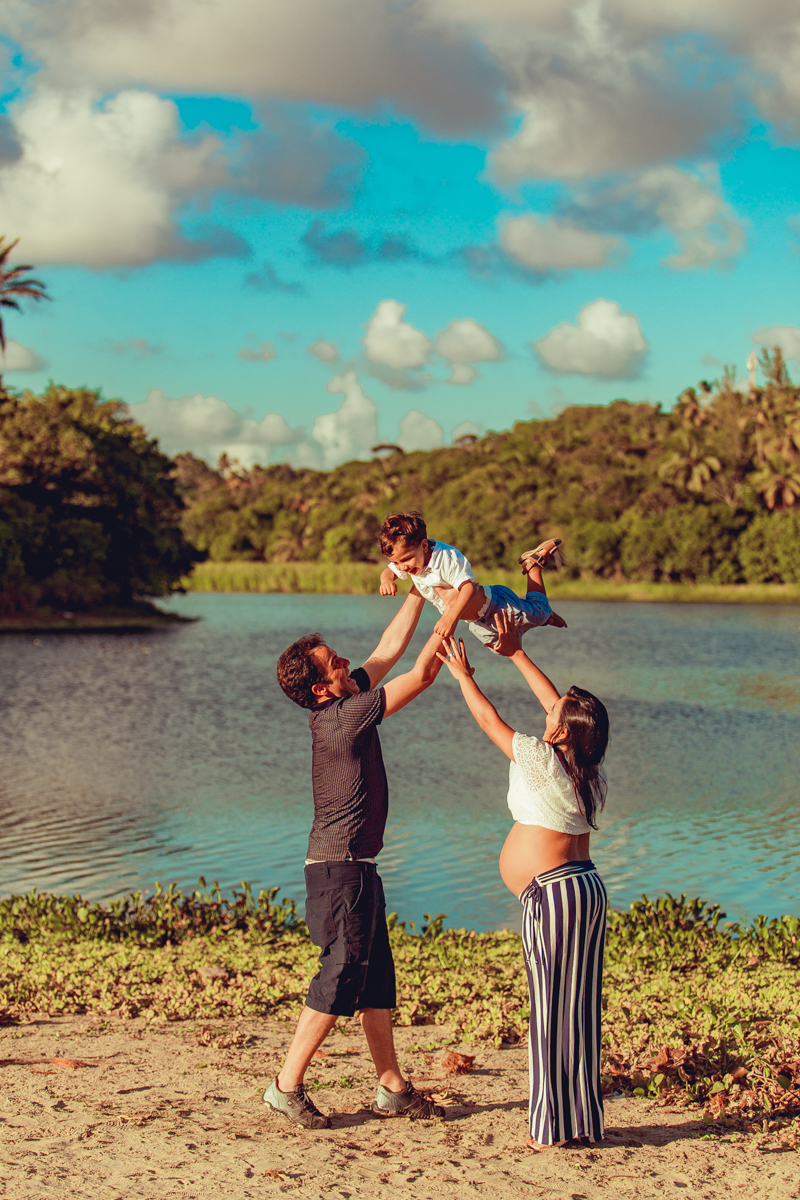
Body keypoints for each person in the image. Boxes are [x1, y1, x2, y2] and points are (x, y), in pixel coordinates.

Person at [266, 590, 446, 1130]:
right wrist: (454, 604)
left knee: (374, 979)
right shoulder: (344, 719)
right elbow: (420, 674)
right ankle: (285, 1085)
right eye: (335, 662)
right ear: (321, 687)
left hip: (356, 867)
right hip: (339, 869)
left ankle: (391, 1086)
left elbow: (389, 650)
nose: (348, 661)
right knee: (342, 970)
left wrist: (420, 591)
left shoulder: (344, 702)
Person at [436, 612, 609, 1150]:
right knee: (578, 1007)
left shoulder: (539, 757)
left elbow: (492, 723)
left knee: (549, 1010)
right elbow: (555, 703)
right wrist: (513, 653)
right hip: (585, 890)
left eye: (554, 713)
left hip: (555, 896)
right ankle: (582, 1121)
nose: (548, 708)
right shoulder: (581, 767)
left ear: (559, 730)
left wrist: (465, 675)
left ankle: (548, 1130)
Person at [377, 510, 567, 650]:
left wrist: (450, 618)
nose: (402, 567)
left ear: (424, 545)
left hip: (496, 605)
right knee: (505, 649)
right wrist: (386, 580)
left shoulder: (446, 557)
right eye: (396, 562)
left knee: (538, 613)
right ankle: (544, 619)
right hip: (476, 621)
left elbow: (467, 588)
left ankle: (533, 566)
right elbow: (389, 571)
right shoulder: (409, 561)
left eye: (405, 560)